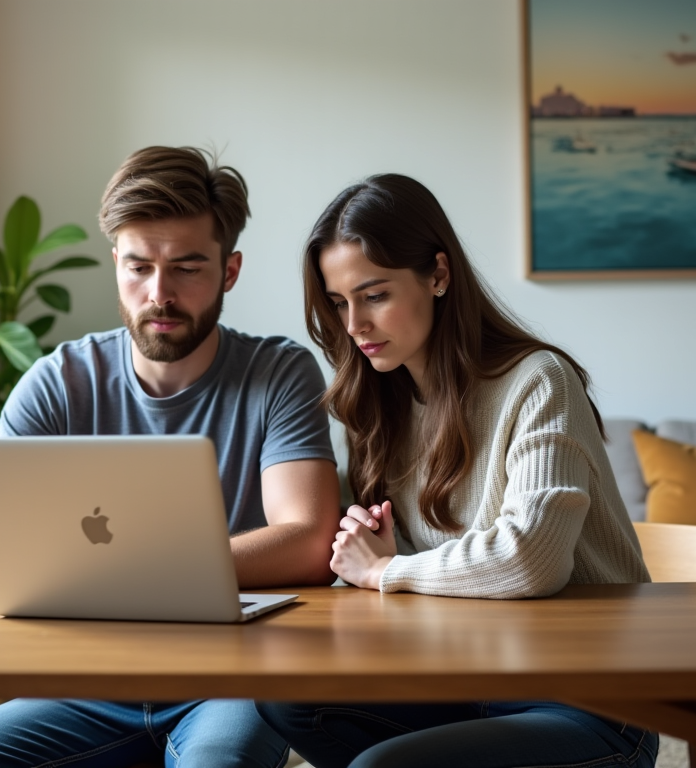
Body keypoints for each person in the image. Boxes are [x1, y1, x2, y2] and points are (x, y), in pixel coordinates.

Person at [0, 146, 341, 768]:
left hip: (230, 686)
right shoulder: (60, 380)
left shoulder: (278, 373)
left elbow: (307, 539)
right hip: (86, 686)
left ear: (230, 270)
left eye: (188, 268)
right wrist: (100, 579)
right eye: (138, 267)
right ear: (116, 263)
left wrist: (124, 575)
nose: (158, 294)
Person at [255, 174, 658, 768]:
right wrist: (374, 550)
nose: (353, 326)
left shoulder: (538, 381)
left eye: (374, 295)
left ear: (439, 275)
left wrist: (392, 567)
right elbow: (368, 570)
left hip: (587, 696)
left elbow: (531, 558)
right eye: (339, 303)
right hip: (468, 682)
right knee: (288, 703)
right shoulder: (383, 405)